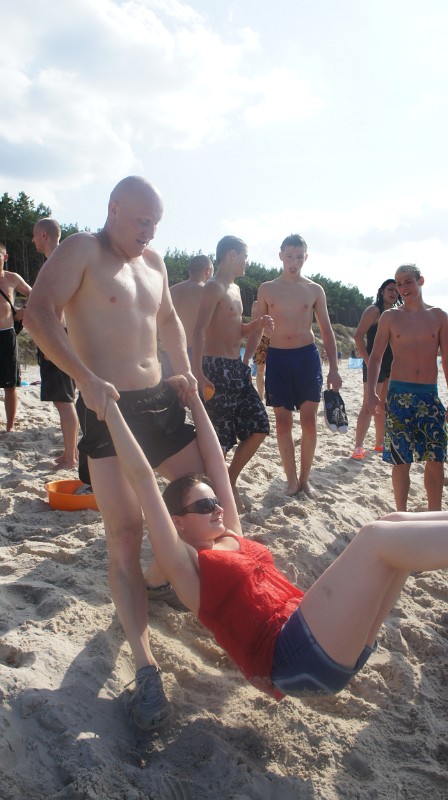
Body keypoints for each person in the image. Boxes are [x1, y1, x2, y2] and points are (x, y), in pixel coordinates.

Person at [104, 377, 448, 708]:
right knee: (374, 538)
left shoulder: (230, 533)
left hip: (327, 641)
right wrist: (109, 409)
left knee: (391, 522)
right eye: (205, 506)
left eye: (216, 501)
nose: (218, 508)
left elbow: (216, 464)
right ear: (178, 522)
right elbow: (145, 481)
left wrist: (193, 397)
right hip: (291, 656)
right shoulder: (186, 567)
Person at [25, 176, 205, 732]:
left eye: (156, 224)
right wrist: (84, 377)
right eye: (141, 221)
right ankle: (146, 670)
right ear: (114, 209)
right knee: (125, 533)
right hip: (108, 411)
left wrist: (183, 370)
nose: (149, 232)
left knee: (203, 505)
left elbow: (168, 318)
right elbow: (38, 313)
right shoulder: (82, 250)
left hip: (160, 402)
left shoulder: (154, 263)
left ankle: (158, 580)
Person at [257, 234, 342, 497]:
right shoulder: (266, 289)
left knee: (309, 422)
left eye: (299, 257)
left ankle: (305, 479)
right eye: (289, 256)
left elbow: (326, 330)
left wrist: (334, 368)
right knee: (283, 423)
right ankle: (291, 480)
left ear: (306, 257)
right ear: (280, 256)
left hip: (306, 358)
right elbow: (260, 329)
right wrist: (258, 365)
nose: (294, 262)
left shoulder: (314, 289)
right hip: (277, 358)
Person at [192, 235, 273, 509]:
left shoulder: (235, 289)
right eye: (244, 256)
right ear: (231, 255)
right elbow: (199, 330)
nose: (247, 262)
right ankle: (215, 494)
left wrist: (256, 325)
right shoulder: (213, 287)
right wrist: (197, 371)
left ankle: (229, 479)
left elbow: (234, 331)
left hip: (236, 367)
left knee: (260, 425)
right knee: (220, 438)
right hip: (215, 367)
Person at [367, 264, 448, 511]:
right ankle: (401, 513)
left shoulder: (439, 317)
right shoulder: (390, 317)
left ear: (420, 281)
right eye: (399, 284)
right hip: (399, 394)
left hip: (429, 395)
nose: (402, 288)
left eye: (408, 282)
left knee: (436, 458)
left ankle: (434, 514)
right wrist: (371, 392)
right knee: (401, 459)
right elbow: (376, 357)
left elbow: (446, 360)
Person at [32, 218, 80, 469]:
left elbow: (59, 307)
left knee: (64, 401)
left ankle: (71, 457)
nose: (32, 240)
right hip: (65, 336)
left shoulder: (57, 262)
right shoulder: (63, 260)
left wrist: (54, 344)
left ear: (43, 235)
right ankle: (71, 453)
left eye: (34, 235)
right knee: (66, 399)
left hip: (60, 337)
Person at [351, 279, 401, 460]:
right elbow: (358, 336)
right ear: (381, 291)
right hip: (374, 363)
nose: (394, 293)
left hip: (391, 365)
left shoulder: (396, 313)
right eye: (390, 289)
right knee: (368, 405)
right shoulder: (374, 310)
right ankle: (358, 447)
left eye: (396, 290)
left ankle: (380, 443)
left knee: (383, 405)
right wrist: (368, 361)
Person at [161, 254, 213, 376]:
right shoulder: (207, 292)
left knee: (170, 387)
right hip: (195, 354)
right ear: (207, 270)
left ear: (190, 270)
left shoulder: (171, 291)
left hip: (169, 353)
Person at [0, 242, 32, 431]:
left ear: (5, 257)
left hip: (6, 335)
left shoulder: (12, 278)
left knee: (10, 384)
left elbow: (33, 294)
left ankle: (10, 426)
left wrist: (24, 310)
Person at [243, 299, 271, 399]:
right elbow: (254, 323)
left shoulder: (277, 301)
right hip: (262, 340)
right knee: (260, 370)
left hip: (276, 339)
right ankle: (261, 397)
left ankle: (272, 395)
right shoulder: (256, 304)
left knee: (276, 369)